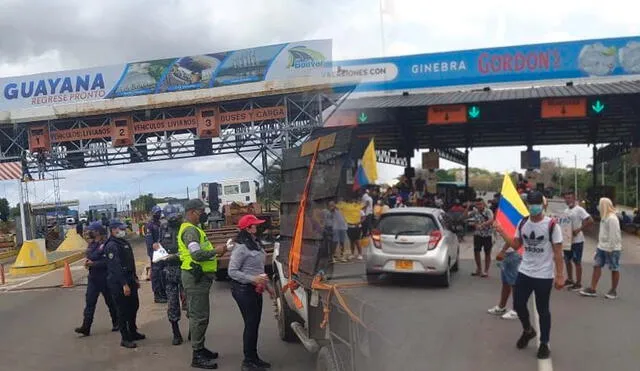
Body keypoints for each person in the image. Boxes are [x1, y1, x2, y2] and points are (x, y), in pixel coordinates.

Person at [495, 191, 564, 360]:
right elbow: (517, 244)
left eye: (536, 203)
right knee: (518, 305)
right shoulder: (523, 222)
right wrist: (502, 232)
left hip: (544, 275)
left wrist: (560, 275)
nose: (533, 207)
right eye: (531, 204)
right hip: (525, 271)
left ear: (543, 204)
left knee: (543, 310)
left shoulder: (552, 225)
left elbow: (558, 252)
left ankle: (544, 343)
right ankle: (528, 330)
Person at [178, 199, 227, 369]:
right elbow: (197, 255)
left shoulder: (194, 229)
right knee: (199, 317)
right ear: (192, 212)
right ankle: (197, 355)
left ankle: (200, 348)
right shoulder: (190, 231)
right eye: (200, 212)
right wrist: (217, 251)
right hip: (195, 278)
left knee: (200, 315)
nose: (202, 215)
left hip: (196, 277)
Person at [228, 214, 272, 371]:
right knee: (251, 324)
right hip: (243, 290)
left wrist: (266, 286)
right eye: (255, 225)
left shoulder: (255, 243)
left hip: (254, 289)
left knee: (254, 324)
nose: (257, 227)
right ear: (248, 228)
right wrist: (253, 279)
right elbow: (232, 272)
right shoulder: (241, 247)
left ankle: (254, 358)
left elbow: (259, 269)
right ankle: (248, 361)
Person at [105, 219, 144, 349]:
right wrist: (124, 284)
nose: (123, 231)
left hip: (130, 278)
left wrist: (135, 278)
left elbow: (130, 262)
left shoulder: (123, 242)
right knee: (123, 311)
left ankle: (133, 331)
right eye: (120, 229)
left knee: (134, 305)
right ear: (113, 230)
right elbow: (115, 267)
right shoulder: (111, 245)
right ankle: (125, 338)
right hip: (119, 282)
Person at [74, 221, 119, 336]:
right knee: (89, 302)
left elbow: (106, 261)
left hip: (104, 278)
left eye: (92, 231)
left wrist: (93, 263)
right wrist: (89, 263)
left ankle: (117, 323)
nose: (89, 233)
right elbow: (90, 256)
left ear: (98, 232)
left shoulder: (107, 244)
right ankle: (86, 327)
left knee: (111, 302)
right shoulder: (92, 244)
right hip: (93, 278)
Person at [580, 197, 622, 299]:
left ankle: (613, 290)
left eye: (600, 204)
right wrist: (598, 247)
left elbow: (614, 235)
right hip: (601, 247)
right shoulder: (604, 217)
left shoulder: (612, 218)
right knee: (596, 266)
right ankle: (592, 289)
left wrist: (611, 249)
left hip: (612, 248)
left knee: (614, 268)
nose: (598, 207)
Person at [159, 204, 186, 345]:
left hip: (185, 270)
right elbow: (160, 246)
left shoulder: (185, 227)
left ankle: (194, 331)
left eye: (174, 217)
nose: (172, 220)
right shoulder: (163, 228)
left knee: (189, 303)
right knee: (172, 304)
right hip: (169, 272)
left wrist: (175, 256)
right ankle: (176, 333)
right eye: (169, 218)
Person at [562, 190, 593, 291]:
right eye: (566, 198)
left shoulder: (579, 210)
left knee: (577, 262)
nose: (568, 200)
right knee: (567, 260)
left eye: (570, 197)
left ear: (574, 198)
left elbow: (590, 220)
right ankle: (570, 279)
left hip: (578, 240)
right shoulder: (566, 211)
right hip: (568, 241)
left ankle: (578, 283)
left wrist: (579, 229)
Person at [465, 198, 494, 277]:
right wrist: (467, 207)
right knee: (476, 252)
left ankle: (486, 271)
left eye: (480, 204)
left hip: (487, 234)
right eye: (477, 204)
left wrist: (482, 225)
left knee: (487, 253)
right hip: (478, 235)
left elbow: (491, 220)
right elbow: (465, 216)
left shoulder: (488, 211)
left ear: (483, 204)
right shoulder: (475, 212)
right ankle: (479, 269)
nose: (479, 206)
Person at [146, 205, 167, 303]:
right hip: (154, 253)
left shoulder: (160, 224)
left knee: (162, 273)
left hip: (161, 251)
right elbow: (150, 241)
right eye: (156, 213)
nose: (158, 215)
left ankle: (163, 293)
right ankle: (157, 295)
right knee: (156, 274)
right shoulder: (150, 225)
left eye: (159, 213)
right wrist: (153, 248)